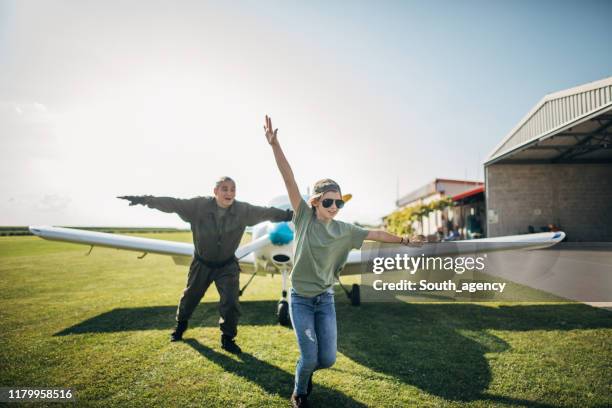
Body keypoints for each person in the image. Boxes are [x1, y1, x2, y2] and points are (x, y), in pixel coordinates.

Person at [263, 115, 416, 407]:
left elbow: (375, 233)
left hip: (325, 299)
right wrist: (275, 145)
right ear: (315, 201)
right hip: (300, 300)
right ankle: (300, 390)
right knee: (309, 357)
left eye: (339, 202)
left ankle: (305, 372)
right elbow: (289, 178)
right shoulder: (303, 219)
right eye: (329, 201)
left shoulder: (345, 230)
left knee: (328, 359)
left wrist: (404, 240)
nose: (335, 207)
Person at [118, 176, 293, 353]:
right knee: (190, 298)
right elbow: (173, 204)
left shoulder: (243, 210)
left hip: (227, 265)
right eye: (224, 189)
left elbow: (268, 212)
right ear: (215, 191)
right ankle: (180, 326)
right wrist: (145, 200)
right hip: (202, 263)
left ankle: (228, 339)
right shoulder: (198, 206)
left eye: (232, 189)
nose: (229, 193)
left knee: (231, 303)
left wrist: (291, 215)